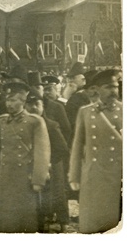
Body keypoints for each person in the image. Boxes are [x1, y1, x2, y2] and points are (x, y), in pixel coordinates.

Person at [0, 81, 50, 232]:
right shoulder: (1, 121)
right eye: (8, 100)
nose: (9, 104)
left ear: (23, 101)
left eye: (13, 100)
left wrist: (38, 179)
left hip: (24, 178)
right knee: (4, 219)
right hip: (5, 176)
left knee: (24, 219)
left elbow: (42, 152)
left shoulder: (35, 122)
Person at [68, 69, 122, 233]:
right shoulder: (85, 112)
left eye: (115, 87)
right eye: (108, 87)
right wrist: (74, 176)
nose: (113, 91)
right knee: (94, 220)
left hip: (118, 174)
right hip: (94, 175)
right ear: (97, 90)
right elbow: (77, 147)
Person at [25, 88, 69, 232]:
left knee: (56, 193)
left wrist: (49, 163)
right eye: (29, 104)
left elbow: (62, 149)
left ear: (43, 106)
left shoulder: (51, 125)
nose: (33, 108)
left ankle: (62, 222)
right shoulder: (24, 125)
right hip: (32, 165)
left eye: (37, 104)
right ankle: (38, 222)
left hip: (53, 165)